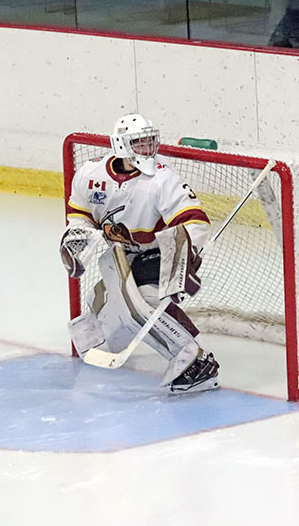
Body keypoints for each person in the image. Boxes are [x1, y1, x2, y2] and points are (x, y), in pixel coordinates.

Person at [61, 114, 219, 393]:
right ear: (121, 145)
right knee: (100, 301)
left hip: (160, 252)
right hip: (122, 256)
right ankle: (106, 338)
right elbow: (79, 216)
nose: (147, 148)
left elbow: (195, 222)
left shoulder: (162, 178)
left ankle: (196, 361)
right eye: (139, 143)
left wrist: (183, 261)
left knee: (142, 301)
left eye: (149, 141)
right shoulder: (90, 174)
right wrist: (78, 242)